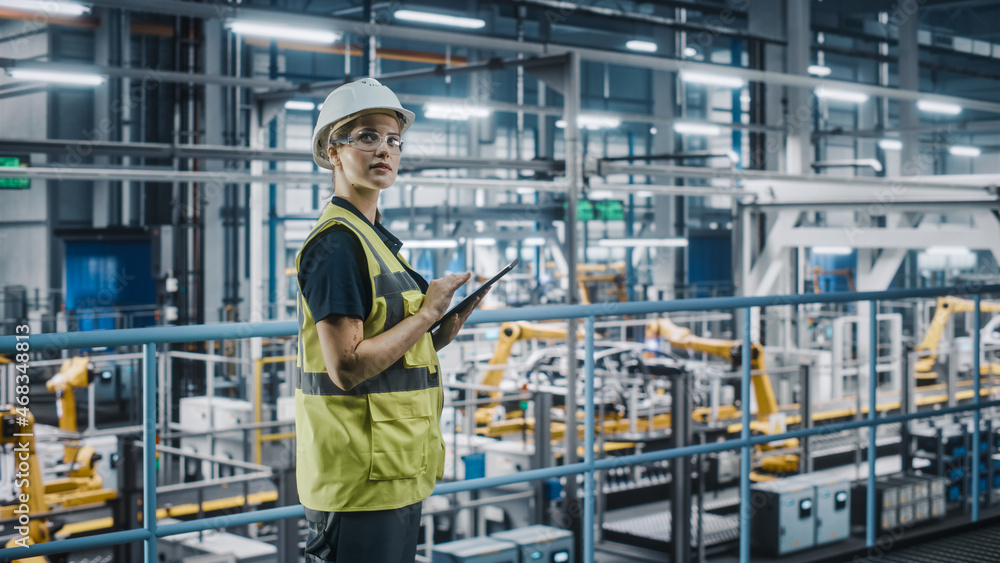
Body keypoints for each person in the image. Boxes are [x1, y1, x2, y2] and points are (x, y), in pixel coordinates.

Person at [294, 77, 484, 562]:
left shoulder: (374, 240)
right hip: (358, 476)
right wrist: (427, 314)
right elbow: (348, 368)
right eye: (366, 136)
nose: (384, 149)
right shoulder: (337, 245)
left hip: (393, 468)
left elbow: (386, 353)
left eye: (393, 140)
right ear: (332, 152)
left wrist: (437, 333)